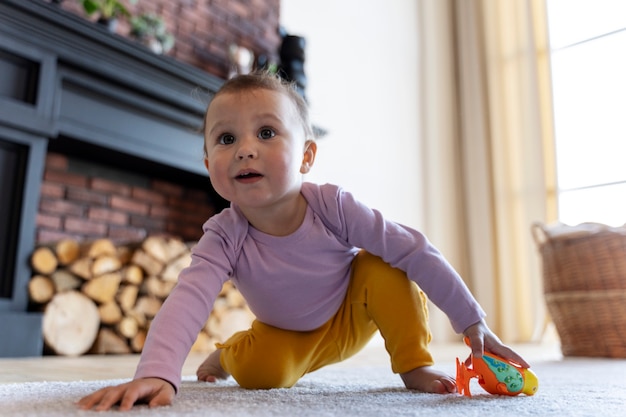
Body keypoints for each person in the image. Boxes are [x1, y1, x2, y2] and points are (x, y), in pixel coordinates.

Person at [78, 72, 530, 411]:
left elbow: (414, 248)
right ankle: (228, 354)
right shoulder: (223, 234)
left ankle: (413, 363)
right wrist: (157, 373)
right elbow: (188, 298)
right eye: (226, 138)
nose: (245, 148)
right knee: (262, 376)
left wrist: (473, 323)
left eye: (267, 133)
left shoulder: (333, 207)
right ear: (208, 162)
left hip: (351, 316)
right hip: (284, 336)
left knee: (387, 263)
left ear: (307, 156)